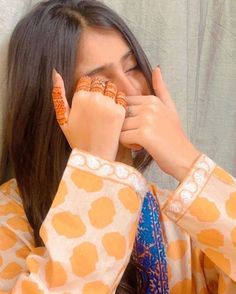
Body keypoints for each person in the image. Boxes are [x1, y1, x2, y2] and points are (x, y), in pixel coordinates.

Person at [0, 0, 235, 293]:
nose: (132, 90)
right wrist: (95, 165)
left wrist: (186, 161)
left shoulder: (180, 215)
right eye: (100, 83)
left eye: (133, 67)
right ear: (53, 103)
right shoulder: (9, 217)